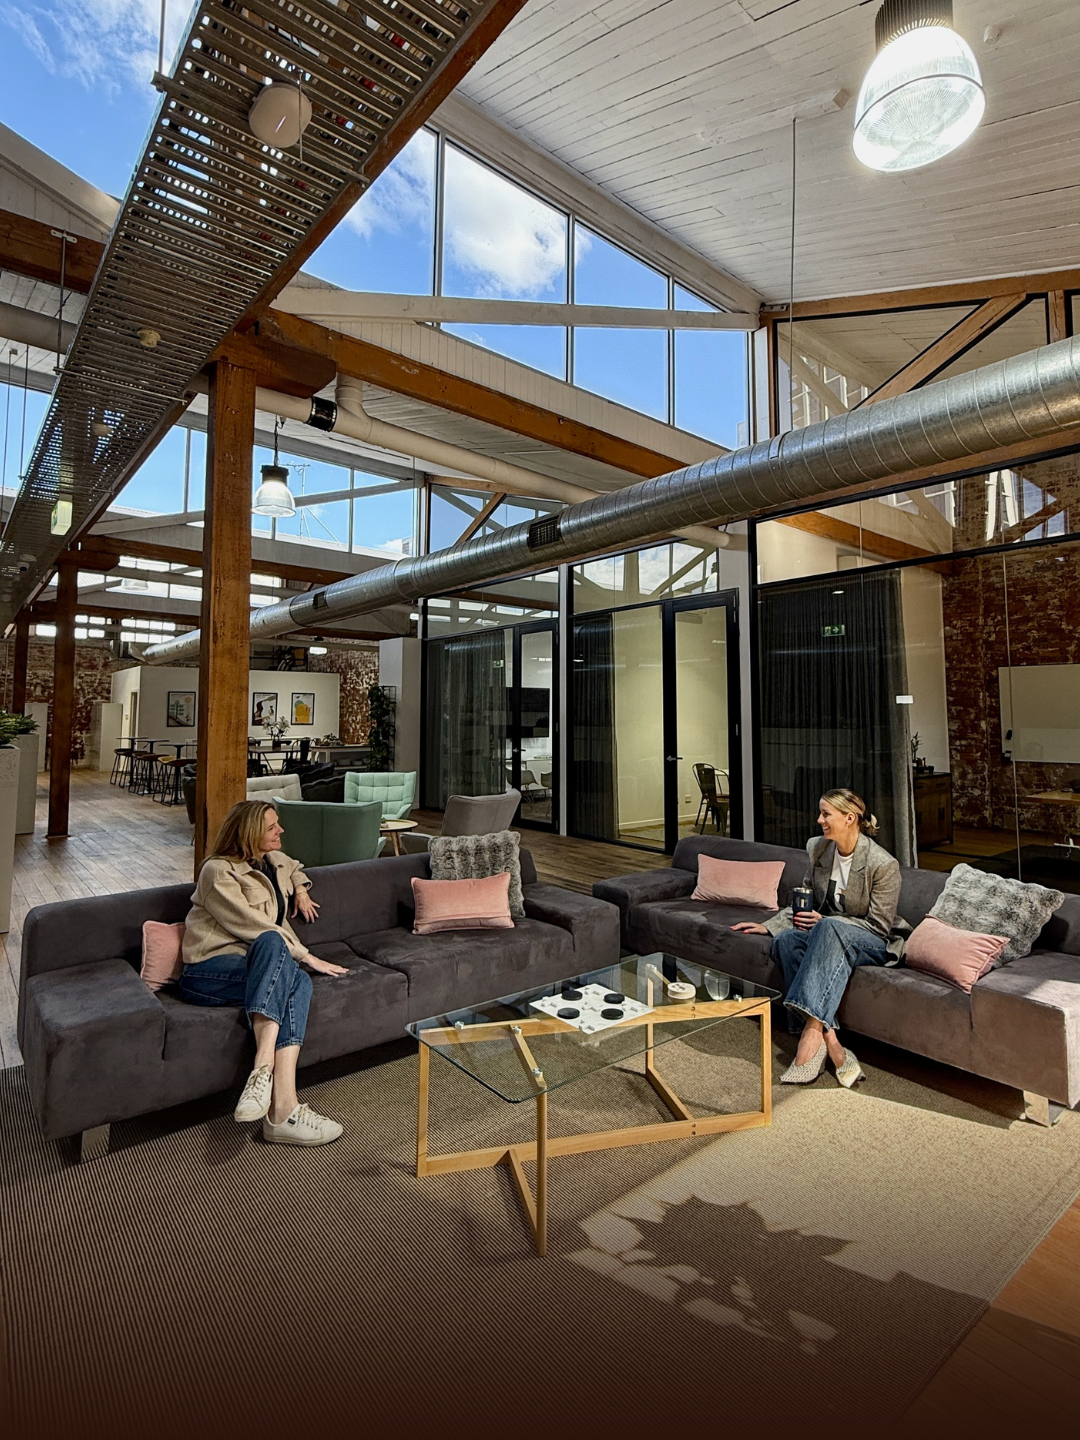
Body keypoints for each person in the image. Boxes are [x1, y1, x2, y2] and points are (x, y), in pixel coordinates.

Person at [180, 799, 348, 1145]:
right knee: (279, 950)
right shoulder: (218, 872)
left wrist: (300, 889)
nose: (280, 830)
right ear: (249, 833)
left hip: (259, 968)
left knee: (296, 979)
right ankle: (265, 1071)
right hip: (208, 971)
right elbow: (253, 925)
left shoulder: (274, 861)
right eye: (272, 827)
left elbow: (295, 866)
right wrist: (307, 956)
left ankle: (280, 1109)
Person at [732, 788, 910, 1088]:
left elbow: (879, 926)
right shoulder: (819, 848)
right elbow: (806, 900)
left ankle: (809, 1039)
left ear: (849, 818)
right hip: (830, 935)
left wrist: (827, 922)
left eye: (826, 814)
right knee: (786, 941)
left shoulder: (882, 864)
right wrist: (771, 926)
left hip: (874, 941)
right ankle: (829, 1037)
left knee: (827, 928)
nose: (819, 820)